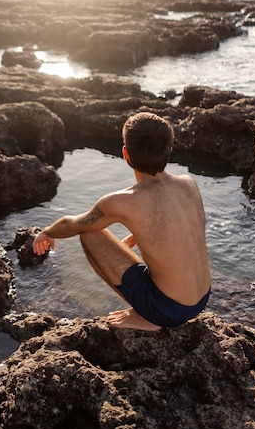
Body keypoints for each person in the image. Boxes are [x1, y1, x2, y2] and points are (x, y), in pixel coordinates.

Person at [33, 112, 211, 331]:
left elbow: (72, 225)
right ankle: (155, 310)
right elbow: (171, 223)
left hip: (165, 310)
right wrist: (133, 239)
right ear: (169, 150)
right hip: (202, 299)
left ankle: (147, 318)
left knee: (90, 232)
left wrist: (46, 232)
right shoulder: (188, 184)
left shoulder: (122, 201)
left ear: (125, 153)